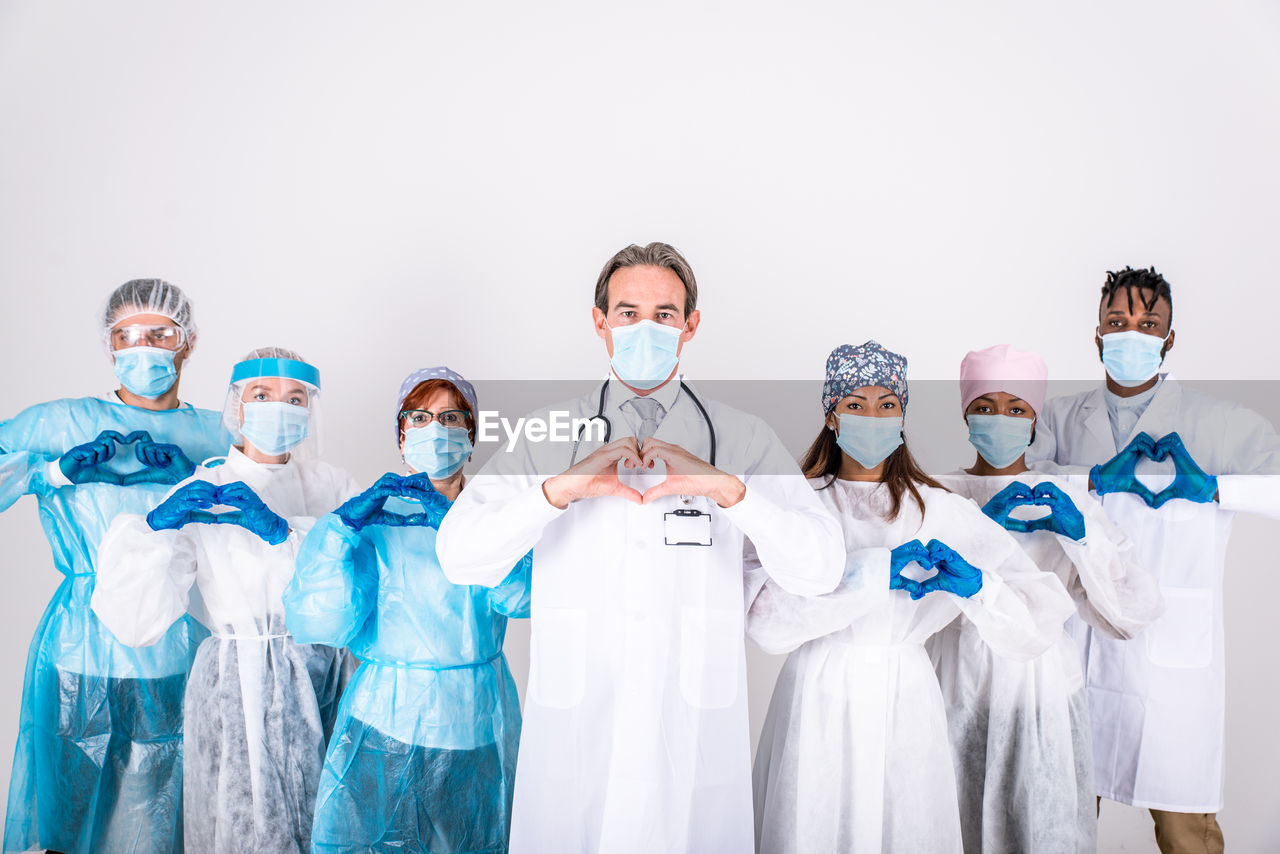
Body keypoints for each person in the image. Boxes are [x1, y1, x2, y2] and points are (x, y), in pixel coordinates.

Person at [434, 242, 845, 854]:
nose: (645, 329)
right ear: (600, 322)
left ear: (691, 325)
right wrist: (556, 491)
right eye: (627, 313)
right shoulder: (547, 435)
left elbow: (820, 568)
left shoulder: (740, 437)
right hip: (579, 727)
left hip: (691, 732)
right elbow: (460, 554)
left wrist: (731, 493)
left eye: (664, 313)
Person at [747, 341, 1057, 854]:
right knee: (812, 827)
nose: (873, 416)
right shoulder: (799, 507)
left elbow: (1038, 616)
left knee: (904, 826)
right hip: (817, 695)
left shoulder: (940, 511)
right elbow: (765, 622)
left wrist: (981, 589)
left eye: (888, 404)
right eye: (856, 403)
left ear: (903, 418)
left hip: (907, 697)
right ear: (832, 415)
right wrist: (873, 573)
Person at [1027, 267, 1280, 854]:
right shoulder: (1061, 419)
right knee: (1061, 818)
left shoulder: (1219, 424)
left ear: (1169, 339)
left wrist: (1215, 488)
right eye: (1117, 322)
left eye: (1148, 324)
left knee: (1184, 829)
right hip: (1079, 647)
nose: (1131, 334)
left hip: (1170, 664)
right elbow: (1014, 490)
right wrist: (1088, 479)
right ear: (1096, 334)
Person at [91, 348, 359, 854]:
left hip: (326, 674)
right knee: (246, 826)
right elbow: (136, 620)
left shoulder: (332, 486)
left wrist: (286, 533)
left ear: (310, 410)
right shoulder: (203, 488)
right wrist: (154, 530)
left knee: (333, 818)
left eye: (295, 397)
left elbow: (359, 584)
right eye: (262, 395)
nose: (280, 407)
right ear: (237, 406)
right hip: (236, 681)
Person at [0, 279, 228, 854]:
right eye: (127, 336)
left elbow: (260, 533)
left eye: (160, 334)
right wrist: (50, 475)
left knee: (160, 829)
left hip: (178, 653)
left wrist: (197, 480)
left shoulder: (216, 434)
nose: (143, 348)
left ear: (189, 342)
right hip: (81, 651)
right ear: (110, 346)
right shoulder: (59, 424)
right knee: (68, 833)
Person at [284, 366, 532, 853]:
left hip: (477, 716)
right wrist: (339, 530)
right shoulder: (376, 520)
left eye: (450, 417)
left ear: (471, 434)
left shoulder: (498, 513)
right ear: (401, 436)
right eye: (419, 417)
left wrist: (459, 529)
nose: (435, 429)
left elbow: (521, 598)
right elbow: (320, 621)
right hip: (387, 720)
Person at [931, 343, 1163, 854]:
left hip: (1043, 695)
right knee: (952, 826)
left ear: (1035, 421)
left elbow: (1131, 613)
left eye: (1017, 409)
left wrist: (1081, 538)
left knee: (1044, 829)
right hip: (954, 688)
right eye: (985, 406)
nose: (1001, 419)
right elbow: (912, 601)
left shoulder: (1066, 499)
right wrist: (979, 532)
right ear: (966, 414)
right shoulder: (937, 493)